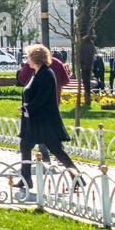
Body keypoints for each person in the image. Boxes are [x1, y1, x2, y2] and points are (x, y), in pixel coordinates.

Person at [16, 43, 82, 200]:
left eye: (29, 57)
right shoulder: (37, 73)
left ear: (35, 59)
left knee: (56, 150)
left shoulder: (46, 74)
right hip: (33, 121)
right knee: (25, 145)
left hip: (44, 121)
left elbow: (43, 97)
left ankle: (77, 178)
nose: (27, 61)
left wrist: (27, 109)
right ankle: (26, 179)